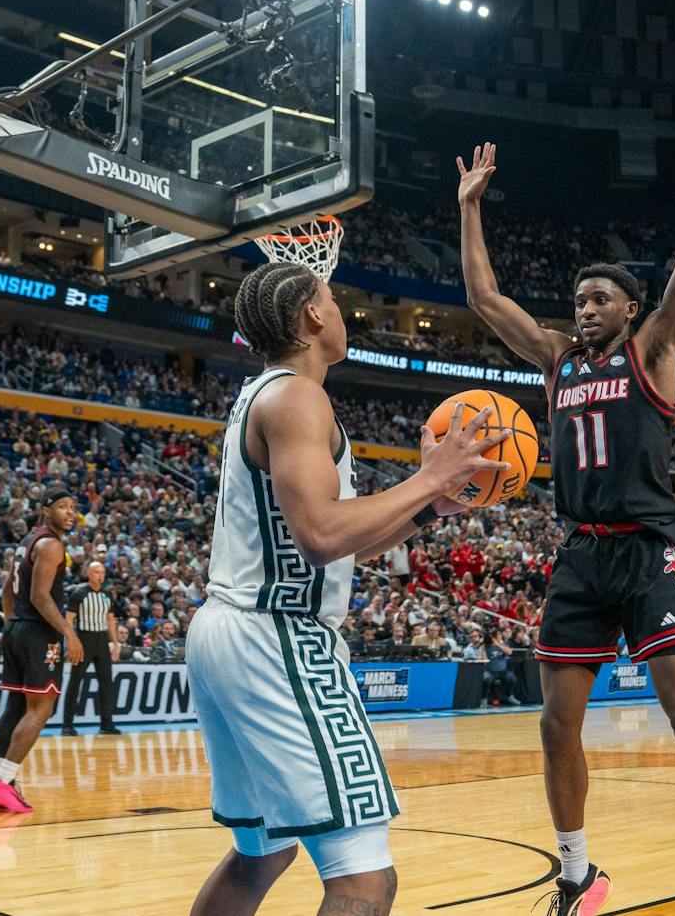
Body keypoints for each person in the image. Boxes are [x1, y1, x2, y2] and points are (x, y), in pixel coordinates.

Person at [458, 63, 675, 916]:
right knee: (553, 723)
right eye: (577, 297)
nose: (583, 306)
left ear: (631, 307)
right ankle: (578, 875)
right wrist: (469, 206)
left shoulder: (653, 348)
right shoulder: (556, 360)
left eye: (599, 296)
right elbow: (482, 295)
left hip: (652, 549)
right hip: (581, 554)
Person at [185, 259, 509, 916]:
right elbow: (322, 534)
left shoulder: (269, 394)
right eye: (332, 298)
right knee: (364, 878)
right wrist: (428, 476)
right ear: (312, 315)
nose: (340, 310)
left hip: (232, 629)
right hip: (275, 635)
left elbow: (343, 542)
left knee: (264, 850)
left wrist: (427, 508)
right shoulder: (300, 396)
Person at [0, 489, 84, 813]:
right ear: (45, 510)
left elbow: (9, 587)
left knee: (16, 706)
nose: (69, 512)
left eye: (73, 507)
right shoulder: (52, 545)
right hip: (38, 633)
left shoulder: (28, 541)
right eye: (62, 506)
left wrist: (12, 625)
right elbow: (39, 596)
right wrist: (69, 634)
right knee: (41, 708)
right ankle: (5, 780)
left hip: (18, 629)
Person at [62, 560, 121, 736]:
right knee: (75, 682)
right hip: (83, 639)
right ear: (88, 573)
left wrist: (115, 643)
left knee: (106, 683)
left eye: (102, 572)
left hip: (102, 640)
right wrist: (71, 641)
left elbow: (110, 620)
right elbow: (69, 619)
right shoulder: (78, 593)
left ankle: (107, 723)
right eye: (96, 572)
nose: (100, 576)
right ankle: (67, 724)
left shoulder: (106, 595)